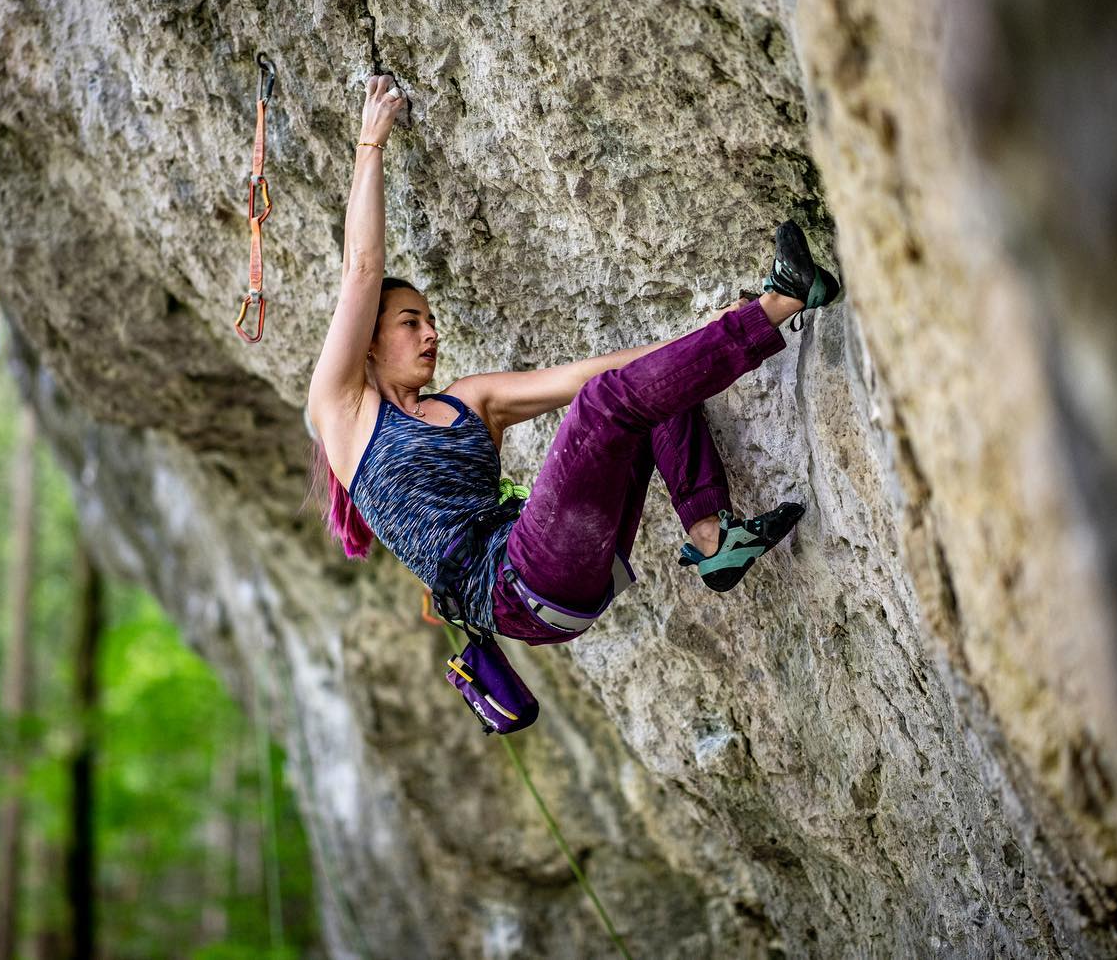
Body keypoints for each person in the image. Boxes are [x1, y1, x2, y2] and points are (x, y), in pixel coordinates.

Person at [306, 74, 842, 646]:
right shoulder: (345, 415)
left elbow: (588, 376)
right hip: (515, 584)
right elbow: (362, 270)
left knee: (636, 387)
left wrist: (713, 332)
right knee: (608, 402)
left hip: (561, 572)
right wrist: (371, 143)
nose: (430, 333)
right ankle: (785, 297)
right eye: (410, 323)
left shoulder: (471, 400)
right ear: (367, 342)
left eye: (431, 320)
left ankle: (714, 539)